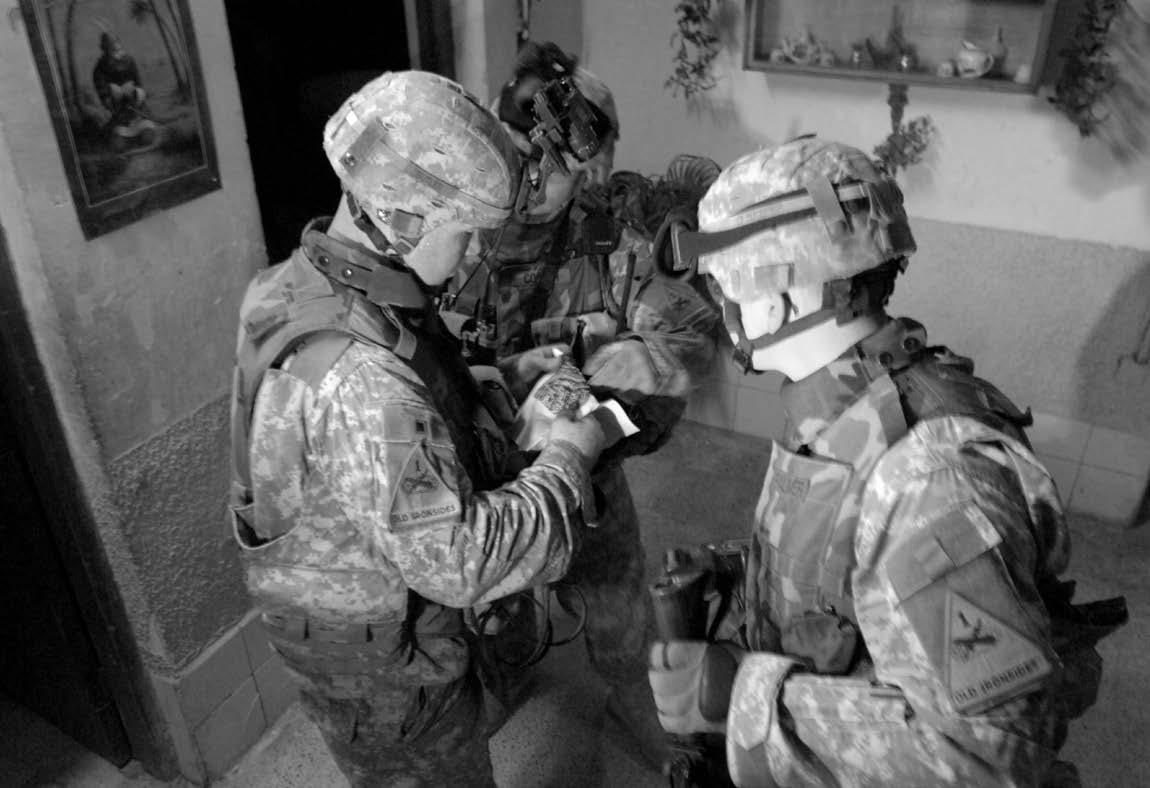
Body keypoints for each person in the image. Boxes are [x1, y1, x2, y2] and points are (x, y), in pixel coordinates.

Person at [647, 136, 1125, 787]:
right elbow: (862, 561)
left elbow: (984, 758)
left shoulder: (932, 477)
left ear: (777, 298)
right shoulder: (847, 399)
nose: (719, 303)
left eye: (723, 280)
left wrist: (748, 697)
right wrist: (747, 570)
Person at [228, 70, 615, 787]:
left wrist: (495, 385)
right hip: (393, 684)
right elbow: (460, 561)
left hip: (357, 619)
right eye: (466, 233)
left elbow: (386, 400)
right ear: (407, 217)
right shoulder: (363, 382)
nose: (473, 256)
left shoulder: (297, 282)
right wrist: (570, 454)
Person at [440, 42, 721, 766]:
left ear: (593, 165)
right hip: (475, 481)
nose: (530, 177)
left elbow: (676, 353)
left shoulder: (611, 234)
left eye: (558, 164)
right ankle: (504, 668)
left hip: (589, 465)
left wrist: (590, 411)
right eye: (516, 149)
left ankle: (633, 700)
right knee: (483, 619)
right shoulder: (447, 234)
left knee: (619, 604)